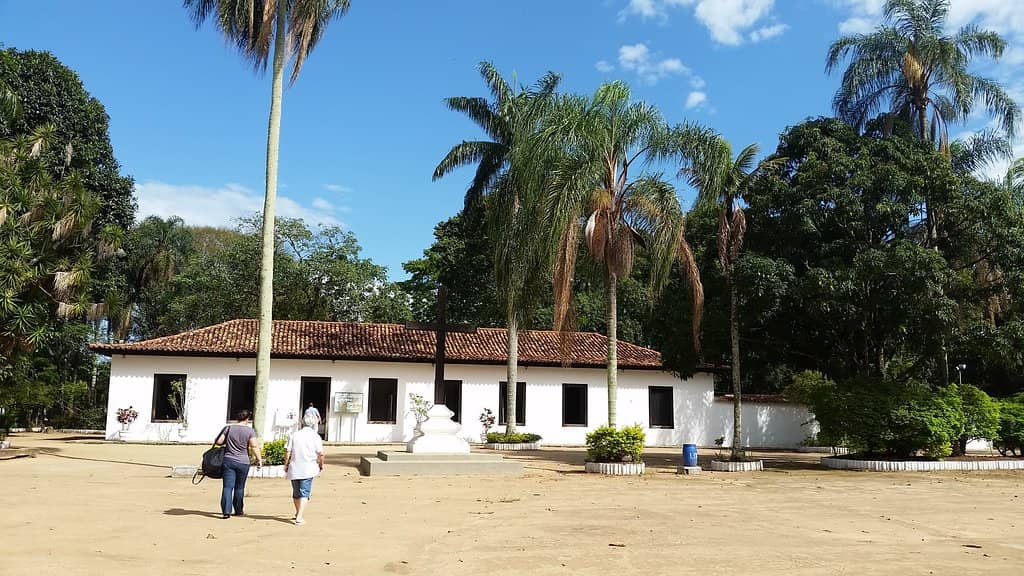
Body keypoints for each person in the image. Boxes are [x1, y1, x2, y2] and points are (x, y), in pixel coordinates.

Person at [215, 409, 262, 519]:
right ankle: (238, 510)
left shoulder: (228, 428)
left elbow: (218, 441)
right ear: (247, 419)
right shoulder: (250, 431)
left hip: (229, 460)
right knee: (239, 487)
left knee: (227, 487)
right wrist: (259, 459)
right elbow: (254, 446)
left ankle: (226, 511)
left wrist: (229, 440)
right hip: (243, 462)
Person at [284, 412, 325, 525]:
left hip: (294, 467)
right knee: (305, 493)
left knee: (296, 492)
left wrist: (286, 464)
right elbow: (321, 454)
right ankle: (299, 516)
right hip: (308, 468)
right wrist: (321, 465)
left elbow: (287, 451)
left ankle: (298, 512)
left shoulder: (294, 435)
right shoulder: (315, 436)